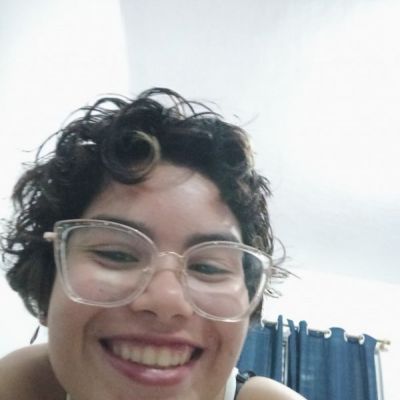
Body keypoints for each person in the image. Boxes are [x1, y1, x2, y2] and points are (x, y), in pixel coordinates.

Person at [0, 88, 305, 400]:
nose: (166, 300)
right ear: (46, 283)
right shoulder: (20, 385)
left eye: (208, 268)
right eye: (116, 254)